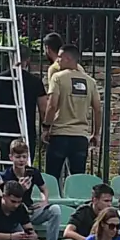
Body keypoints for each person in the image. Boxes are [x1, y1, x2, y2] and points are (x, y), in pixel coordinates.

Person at [40, 45, 94, 178]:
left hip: (60, 134)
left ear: (68, 58)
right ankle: (78, 199)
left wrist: (46, 127)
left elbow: (52, 105)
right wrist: (96, 133)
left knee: (52, 176)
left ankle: (51, 199)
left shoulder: (57, 77)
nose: (57, 61)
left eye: (59, 57)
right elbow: (98, 109)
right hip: (80, 136)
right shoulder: (90, 81)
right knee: (78, 178)